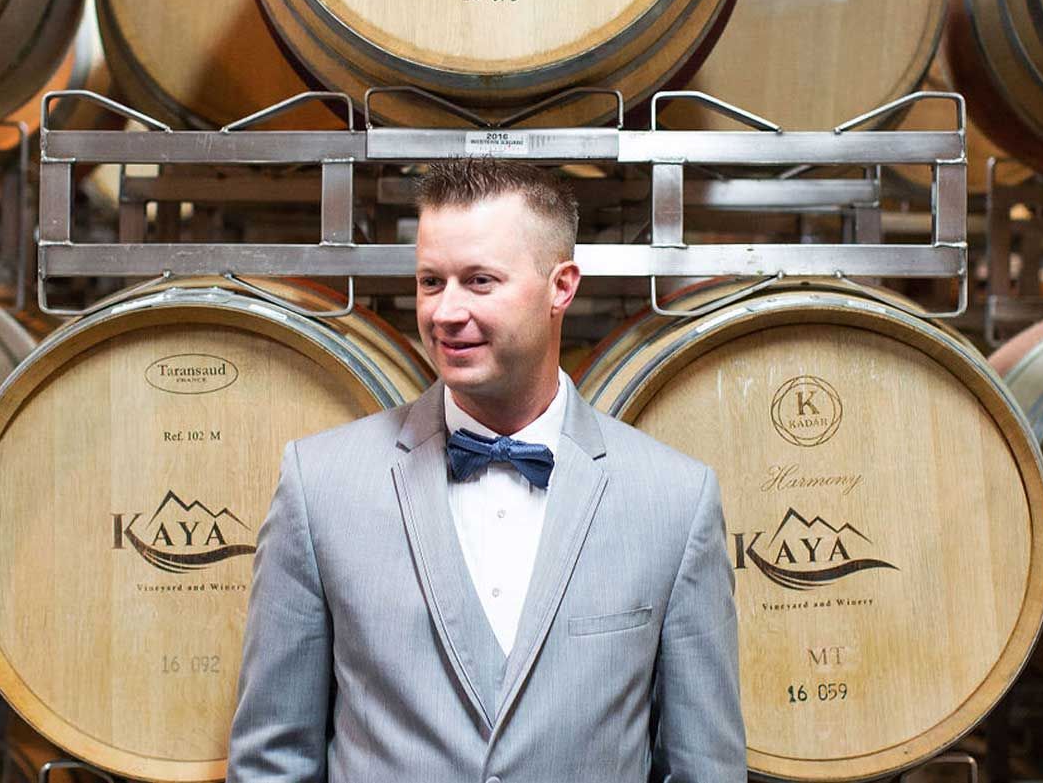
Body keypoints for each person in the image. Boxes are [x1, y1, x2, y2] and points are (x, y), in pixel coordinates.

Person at [227, 158, 746, 782]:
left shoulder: (674, 498)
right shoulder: (319, 483)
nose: (445, 312)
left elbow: (705, 768)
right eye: (429, 282)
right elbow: (272, 760)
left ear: (562, 286)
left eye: (479, 281)